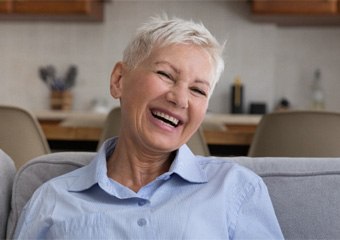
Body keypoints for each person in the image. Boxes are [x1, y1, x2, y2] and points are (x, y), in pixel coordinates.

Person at [14, 15, 284, 239]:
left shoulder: (236, 189)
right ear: (119, 79)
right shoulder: (52, 200)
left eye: (198, 90)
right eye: (165, 74)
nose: (179, 98)